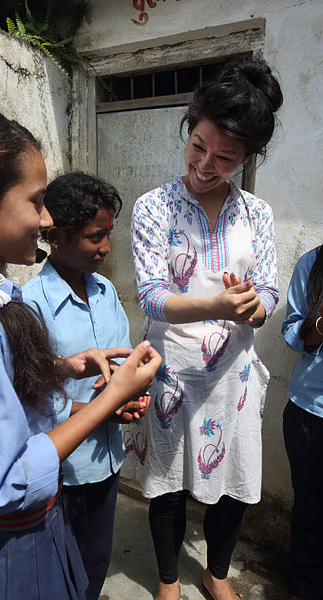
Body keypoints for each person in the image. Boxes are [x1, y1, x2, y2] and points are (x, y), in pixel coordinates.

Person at [0, 110, 161, 600]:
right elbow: (4, 485)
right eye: (36, 202)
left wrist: (60, 367)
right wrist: (109, 396)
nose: (47, 219)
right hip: (6, 549)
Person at [122, 58, 283, 600]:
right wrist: (217, 304)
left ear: (248, 157)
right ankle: (168, 581)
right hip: (171, 371)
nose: (206, 165)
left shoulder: (257, 215)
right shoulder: (152, 208)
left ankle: (216, 574)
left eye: (226, 158)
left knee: (233, 487)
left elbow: (270, 295)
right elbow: (151, 297)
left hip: (234, 378)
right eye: (198, 146)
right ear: (189, 127)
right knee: (167, 487)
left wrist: (253, 309)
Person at [23, 171, 151, 600]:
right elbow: (31, 396)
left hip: (107, 460)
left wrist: (133, 397)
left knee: (95, 561)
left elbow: (124, 361)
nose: (107, 248)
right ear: (56, 237)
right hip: (63, 470)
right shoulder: (31, 305)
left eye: (108, 234)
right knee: (59, 567)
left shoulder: (106, 291)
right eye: (95, 237)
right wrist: (99, 410)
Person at [282, 246, 323, 600]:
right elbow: (293, 332)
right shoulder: (312, 263)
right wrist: (322, 321)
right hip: (311, 412)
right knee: (310, 510)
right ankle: (305, 589)